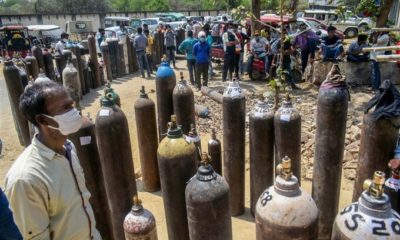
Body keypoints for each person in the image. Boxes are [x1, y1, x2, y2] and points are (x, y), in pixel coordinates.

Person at [4, 81, 101, 239]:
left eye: (72, 104)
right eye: (65, 108)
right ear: (43, 120)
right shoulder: (26, 179)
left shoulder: (68, 147)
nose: (74, 112)